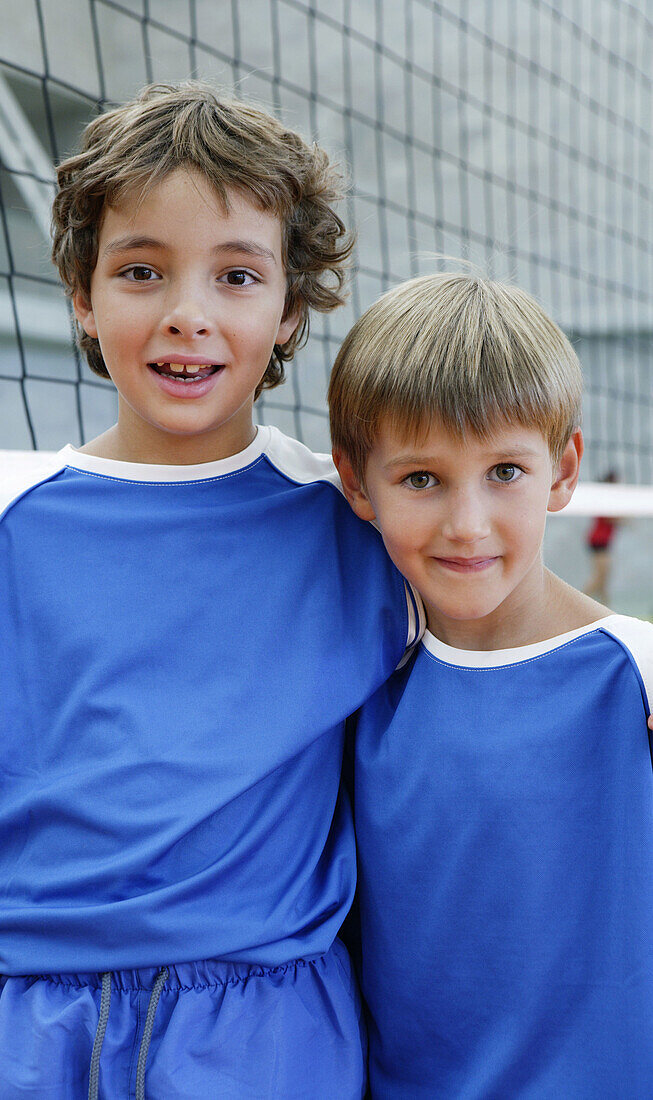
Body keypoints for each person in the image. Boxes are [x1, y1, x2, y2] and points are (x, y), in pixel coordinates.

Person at [0, 82, 421, 1098]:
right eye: (141, 269)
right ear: (81, 295)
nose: (187, 314)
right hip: (33, 1023)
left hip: (265, 1031)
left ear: (287, 313)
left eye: (237, 275)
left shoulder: (355, 529)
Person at [328, 272, 653, 1097]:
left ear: (562, 468)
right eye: (421, 479)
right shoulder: (353, 693)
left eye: (504, 471)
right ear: (356, 482)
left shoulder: (635, 678)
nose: (465, 523)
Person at [583, 471, 621, 603]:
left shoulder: (610, 496)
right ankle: (582, 601)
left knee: (604, 578)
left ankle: (607, 609)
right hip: (599, 541)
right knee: (600, 576)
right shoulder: (606, 496)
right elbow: (610, 518)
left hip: (602, 541)